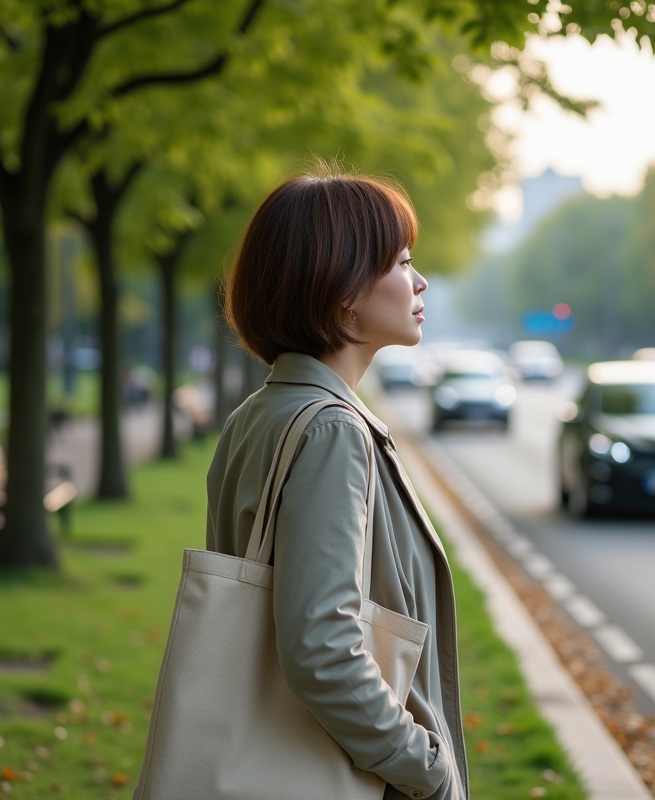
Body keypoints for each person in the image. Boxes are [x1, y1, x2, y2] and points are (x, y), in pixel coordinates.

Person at [207, 170, 468, 800]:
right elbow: (323, 649)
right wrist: (425, 767)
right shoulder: (331, 432)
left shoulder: (262, 413)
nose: (421, 280)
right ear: (343, 290)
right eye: (402, 261)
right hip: (340, 774)